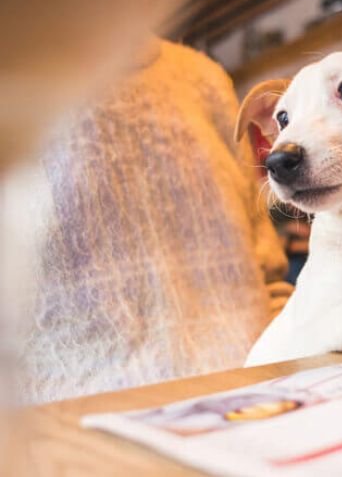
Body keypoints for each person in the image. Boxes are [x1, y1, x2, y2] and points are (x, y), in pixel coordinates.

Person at [18, 37, 292, 404]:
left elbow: (268, 273)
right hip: (75, 436)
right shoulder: (17, 80)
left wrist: (292, 364)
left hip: (259, 398)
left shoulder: (204, 79)